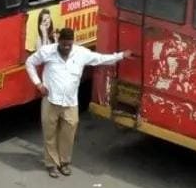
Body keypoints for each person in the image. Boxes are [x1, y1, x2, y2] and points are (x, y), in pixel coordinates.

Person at [25, 27, 130, 178]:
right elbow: (30, 63)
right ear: (59, 41)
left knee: (69, 133)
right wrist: (38, 84)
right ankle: (51, 164)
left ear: (72, 42)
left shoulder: (81, 53)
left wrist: (121, 56)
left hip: (70, 102)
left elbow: (101, 59)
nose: (66, 47)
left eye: (69, 44)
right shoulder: (47, 51)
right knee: (50, 134)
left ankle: (64, 162)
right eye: (63, 44)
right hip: (50, 100)